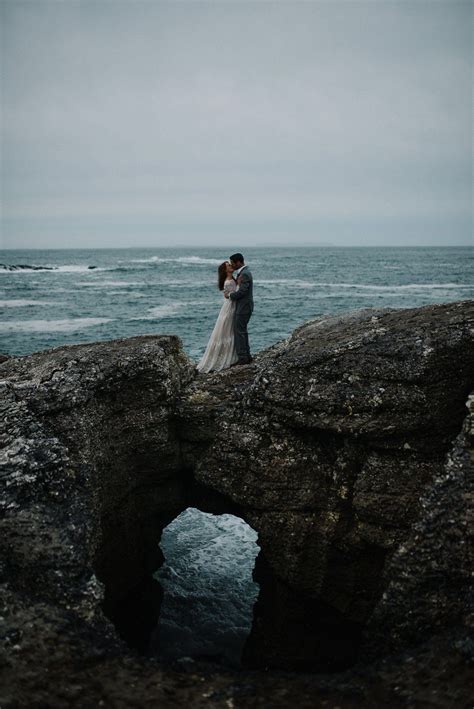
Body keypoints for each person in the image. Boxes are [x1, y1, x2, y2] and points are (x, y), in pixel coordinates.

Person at [196, 261, 239, 372]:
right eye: (229, 265)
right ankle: (225, 358)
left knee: (229, 331)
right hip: (230, 306)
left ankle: (231, 355)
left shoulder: (233, 279)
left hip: (232, 305)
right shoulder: (228, 281)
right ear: (225, 270)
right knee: (227, 330)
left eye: (230, 264)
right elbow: (227, 295)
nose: (231, 266)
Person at [224, 252, 253, 365]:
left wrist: (230, 296)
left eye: (233, 263)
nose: (232, 265)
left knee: (239, 331)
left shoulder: (245, 274)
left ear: (239, 262)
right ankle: (247, 355)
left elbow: (242, 291)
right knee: (242, 331)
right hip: (244, 306)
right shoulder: (244, 272)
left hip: (244, 307)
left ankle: (243, 358)